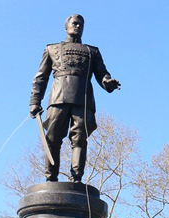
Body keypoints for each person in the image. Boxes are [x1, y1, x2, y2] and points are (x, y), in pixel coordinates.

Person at [29, 14, 121, 182]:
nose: (78, 26)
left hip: (83, 99)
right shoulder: (52, 49)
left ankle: (77, 177)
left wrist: (108, 82)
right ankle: (51, 178)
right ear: (66, 27)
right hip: (58, 99)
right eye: (75, 23)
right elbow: (41, 77)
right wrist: (35, 101)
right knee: (53, 138)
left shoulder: (92, 51)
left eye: (81, 24)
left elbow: (102, 73)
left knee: (79, 139)